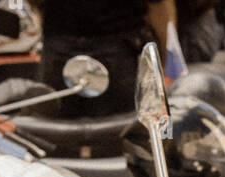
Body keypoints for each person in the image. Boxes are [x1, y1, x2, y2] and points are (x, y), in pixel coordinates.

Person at [36, 0, 177, 116]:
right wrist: (165, 63)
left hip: (62, 44)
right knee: (122, 137)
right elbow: (159, 6)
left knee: (56, 135)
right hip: (117, 47)